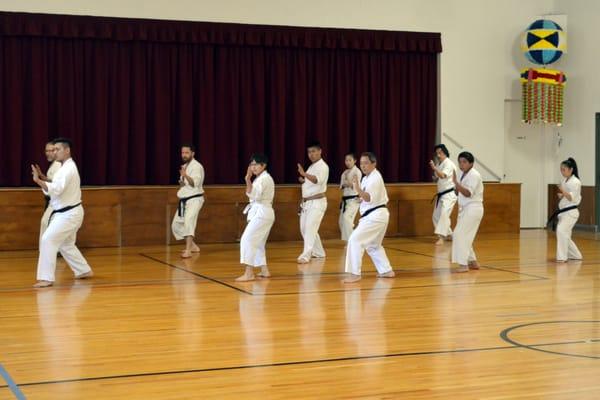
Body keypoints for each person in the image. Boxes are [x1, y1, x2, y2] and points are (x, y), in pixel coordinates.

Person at [31, 138, 93, 288]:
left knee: (47, 239)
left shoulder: (68, 169)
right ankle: (83, 270)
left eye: (57, 149)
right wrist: (44, 178)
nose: (54, 152)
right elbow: (57, 185)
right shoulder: (64, 167)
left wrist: (37, 180)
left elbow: (56, 189)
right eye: (53, 149)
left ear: (67, 150)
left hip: (69, 214)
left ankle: (46, 278)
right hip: (66, 213)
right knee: (66, 244)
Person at [343, 152, 395, 283]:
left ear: (374, 163)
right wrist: (359, 196)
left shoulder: (375, 177)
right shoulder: (367, 178)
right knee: (373, 245)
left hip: (375, 216)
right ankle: (386, 270)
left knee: (354, 240)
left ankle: (354, 274)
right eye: (361, 163)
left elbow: (368, 197)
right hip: (376, 214)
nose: (363, 166)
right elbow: (365, 197)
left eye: (366, 163)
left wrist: (357, 188)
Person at [236, 154, 276, 282]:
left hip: (262, 212)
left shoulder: (264, 179)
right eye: (251, 164)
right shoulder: (261, 178)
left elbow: (255, 195)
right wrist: (249, 179)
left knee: (247, 240)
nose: (253, 167)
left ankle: (249, 273)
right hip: (263, 212)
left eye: (256, 164)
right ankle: (264, 270)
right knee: (258, 243)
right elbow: (252, 194)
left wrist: (247, 179)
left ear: (263, 165)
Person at [451, 151, 484, 273]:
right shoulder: (462, 174)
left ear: (471, 163)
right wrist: (455, 186)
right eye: (460, 162)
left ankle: (463, 264)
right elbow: (458, 192)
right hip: (465, 209)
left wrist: (456, 183)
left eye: (464, 162)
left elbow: (468, 193)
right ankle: (473, 262)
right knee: (464, 235)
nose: (461, 164)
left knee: (459, 234)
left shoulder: (474, 175)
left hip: (473, 208)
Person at [297, 141, 329, 263]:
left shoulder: (323, 166)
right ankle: (319, 252)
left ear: (320, 151)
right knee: (304, 228)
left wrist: (304, 174)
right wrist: (303, 179)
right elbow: (310, 183)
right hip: (307, 202)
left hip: (317, 202)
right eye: (309, 152)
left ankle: (306, 255)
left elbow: (317, 180)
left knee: (310, 228)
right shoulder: (312, 166)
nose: (311, 154)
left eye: (314, 151)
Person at [171, 144, 205, 258]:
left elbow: (194, 183)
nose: (184, 155)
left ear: (192, 153)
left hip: (194, 199)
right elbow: (184, 184)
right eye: (182, 153)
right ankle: (193, 246)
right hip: (184, 200)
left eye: (186, 153)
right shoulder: (185, 166)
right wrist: (182, 179)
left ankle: (188, 250)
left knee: (189, 221)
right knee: (176, 225)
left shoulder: (197, 166)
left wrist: (185, 175)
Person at [553, 157, 583, 262]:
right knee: (565, 235)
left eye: (564, 169)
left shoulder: (576, 182)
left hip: (571, 212)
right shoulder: (565, 180)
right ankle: (576, 255)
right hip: (564, 211)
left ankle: (562, 257)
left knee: (561, 231)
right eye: (561, 169)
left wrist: (562, 190)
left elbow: (571, 197)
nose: (562, 172)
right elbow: (567, 195)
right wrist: (561, 195)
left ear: (571, 170)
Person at [34, 141, 62, 245]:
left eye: (51, 150)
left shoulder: (58, 165)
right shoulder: (54, 165)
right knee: (48, 223)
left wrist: (38, 179)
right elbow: (51, 180)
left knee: (46, 223)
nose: (48, 153)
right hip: (52, 200)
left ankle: (47, 249)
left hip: (56, 201)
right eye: (47, 150)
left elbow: (55, 184)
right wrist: (42, 175)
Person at [429, 144, 458, 245]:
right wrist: (434, 176)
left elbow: (442, 175)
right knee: (436, 216)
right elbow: (437, 177)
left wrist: (434, 168)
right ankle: (449, 234)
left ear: (445, 152)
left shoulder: (449, 164)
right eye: (437, 153)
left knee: (444, 215)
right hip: (441, 194)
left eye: (440, 153)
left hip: (449, 194)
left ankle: (442, 237)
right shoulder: (439, 164)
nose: (438, 155)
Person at [339, 153, 362, 241]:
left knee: (346, 218)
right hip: (345, 199)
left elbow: (354, 185)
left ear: (355, 161)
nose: (347, 162)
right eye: (346, 160)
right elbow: (342, 186)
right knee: (341, 222)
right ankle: (351, 240)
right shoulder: (344, 172)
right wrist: (347, 183)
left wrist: (348, 183)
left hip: (354, 199)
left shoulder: (357, 171)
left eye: (349, 160)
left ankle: (352, 242)